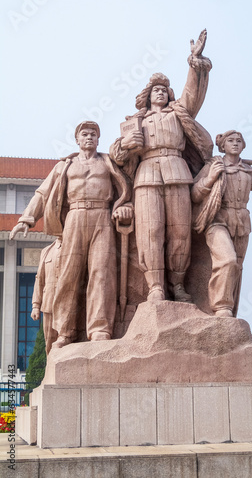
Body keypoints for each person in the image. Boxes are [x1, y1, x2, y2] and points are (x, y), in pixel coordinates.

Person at [110, 30, 213, 302]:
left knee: (179, 231)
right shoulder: (136, 121)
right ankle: (155, 285)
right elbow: (116, 155)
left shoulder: (179, 113)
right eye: (154, 89)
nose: (159, 93)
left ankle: (177, 284)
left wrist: (194, 60)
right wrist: (126, 144)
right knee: (150, 231)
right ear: (147, 95)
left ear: (169, 94)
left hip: (177, 172)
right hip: (146, 176)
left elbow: (192, 94)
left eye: (164, 90)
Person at [11, 121, 132, 348]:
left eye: (94, 134)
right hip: (74, 217)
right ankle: (65, 332)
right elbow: (42, 193)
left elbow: (125, 188)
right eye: (85, 134)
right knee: (69, 275)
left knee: (101, 272)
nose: (89, 138)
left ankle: (99, 329)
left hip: (102, 216)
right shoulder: (65, 166)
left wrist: (123, 207)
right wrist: (26, 219)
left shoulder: (108, 162)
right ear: (77, 140)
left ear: (98, 139)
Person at [191, 130, 252, 317]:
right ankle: (221, 306)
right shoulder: (214, 166)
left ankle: (230, 310)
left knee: (236, 266)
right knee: (227, 260)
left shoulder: (246, 169)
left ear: (243, 146)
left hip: (242, 222)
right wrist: (211, 178)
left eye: (239, 141)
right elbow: (194, 194)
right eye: (231, 140)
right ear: (223, 146)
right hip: (217, 220)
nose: (235, 143)